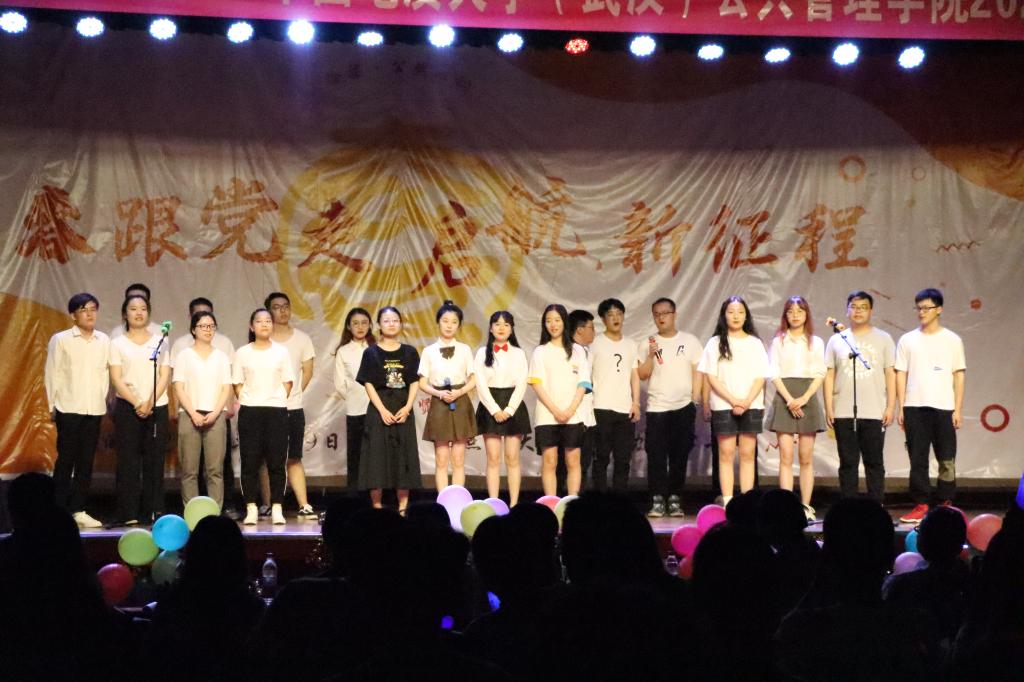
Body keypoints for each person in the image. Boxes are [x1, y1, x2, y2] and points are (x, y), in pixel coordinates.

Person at [895, 288, 966, 524]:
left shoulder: (952, 340)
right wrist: (901, 407)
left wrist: (958, 409)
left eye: (927, 308)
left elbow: (958, 375)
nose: (922, 312)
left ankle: (945, 501)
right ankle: (921, 504)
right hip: (914, 406)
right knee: (918, 459)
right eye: (919, 308)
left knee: (947, 458)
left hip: (944, 407)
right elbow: (900, 374)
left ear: (939, 309)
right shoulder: (907, 340)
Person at [169, 296, 240, 518]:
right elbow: (179, 387)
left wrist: (215, 413)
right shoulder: (184, 355)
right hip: (189, 415)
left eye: (211, 326)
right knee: (189, 470)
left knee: (215, 470)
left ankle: (213, 514)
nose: (208, 330)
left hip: (215, 416)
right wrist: (193, 413)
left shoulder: (221, 356)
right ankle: (192, 513)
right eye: (203, 326)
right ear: (193, 329)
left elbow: (226, 388)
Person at [823, 291, 896, 503]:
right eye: (854, 307)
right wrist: (829, 407)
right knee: (848, 463)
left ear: (871, 311)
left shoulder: (884, 339)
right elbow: (829, 375)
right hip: (843, 411)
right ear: (847, 311)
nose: (858, 311)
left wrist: (891, 407)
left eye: (863, 307)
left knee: (874, 462)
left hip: (875, 411)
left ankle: (876, 506)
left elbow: (890, 373)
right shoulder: (837, 340)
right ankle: (848, 507)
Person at [44, 293, 109, 528]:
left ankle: (79, 509)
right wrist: (51, 406)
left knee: (86, 461)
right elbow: (52, 373)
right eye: (83, 310)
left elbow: (105, 374)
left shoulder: (103, 340)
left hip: (94, 408)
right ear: (73, 315)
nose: (89, 314)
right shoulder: (61, 340)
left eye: (93, 309)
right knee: (66, 461)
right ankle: (57, 509)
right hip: (68, 407)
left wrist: (101, 398)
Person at [698, 296, 768, 507]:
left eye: (740, 312)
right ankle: (728, 501)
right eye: (731, 312)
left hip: (751, 404)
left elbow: (761, 376)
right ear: (724, 315)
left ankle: (746, 502)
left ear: (746, 316)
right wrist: (733, 400)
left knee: (747, 454)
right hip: (723, 405)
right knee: (726, 454)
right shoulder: (714, 343)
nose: (736, 316)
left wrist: (746, 401)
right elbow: (711, 377)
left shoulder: (755, 343)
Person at [637, 297, 702, 518]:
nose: (661, 317)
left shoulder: (690, 341)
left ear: (674, 314)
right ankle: (657, 499)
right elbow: (642, 374)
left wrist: (695, 399)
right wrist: (650, 355)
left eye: (665, 313)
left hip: (683, 406)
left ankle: (675, 498)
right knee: (656, 454)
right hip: (657, 407)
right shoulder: (648, 342)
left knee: (679, 454)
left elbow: (697, 372)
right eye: (657, 314)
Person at [108, 294, 170, 525]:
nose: (138, 313)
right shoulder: (117, 343)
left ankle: (154, 510)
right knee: (128, 461)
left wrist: (150, 402)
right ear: (125, 314)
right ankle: (128, 513)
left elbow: (164, 375)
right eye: (133, 309)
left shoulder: (161, 340)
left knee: (155, 461)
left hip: (157, 406)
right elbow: (116, 378)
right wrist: (137, 402)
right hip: (128, 407)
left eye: (143, 308)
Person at [356, 306, 421, 514]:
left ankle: (402, 507)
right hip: (379, 409)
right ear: (379, 325)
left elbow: (414, 381)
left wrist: (408, 407)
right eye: (386, 320)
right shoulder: (371, 352)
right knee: (376, 457)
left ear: (400, 324)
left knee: (403, 455)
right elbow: (368, 383)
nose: (391, 324)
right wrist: (382, 410)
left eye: (395, 320)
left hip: (403, 408)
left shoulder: (410, 352)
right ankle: (377, 506)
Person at [767, 296, 826, 523]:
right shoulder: (779, 341)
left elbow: (819, 372)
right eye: (790, 311)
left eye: (799, 311)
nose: (795, 315)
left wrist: (804, 398)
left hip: (806, 396)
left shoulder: (815, 342)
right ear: (785, 315)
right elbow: (774, 373)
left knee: (806, 457)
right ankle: (786, 507)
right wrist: (790, 399)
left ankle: (806, 506)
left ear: (806, 314)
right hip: (785, 396)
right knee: (785, 456)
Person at [233, 309, 294, 526]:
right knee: (250, 462)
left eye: (268, 320)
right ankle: (251, 507)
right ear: (252, 327)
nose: (264, 324)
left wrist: (277, 398)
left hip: (276, 411)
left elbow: (288, 381)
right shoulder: (243, 352)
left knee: (277, 462)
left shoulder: (281, 352)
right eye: (259, 321)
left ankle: (277, 507)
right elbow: (237, 382)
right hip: (250, 411)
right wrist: (248, 399)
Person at [529, 304, 591, 497]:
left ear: (564, 322)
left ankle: (572, 502)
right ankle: (551, 504)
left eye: (557, 320)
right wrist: (556, 411)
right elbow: (537, 384)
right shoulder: (540, 351)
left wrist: (570, 410)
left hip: (573, 415)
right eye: (548, 321)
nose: (553, 325)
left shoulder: (578, 350)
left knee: (573, 461)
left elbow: (583, 383)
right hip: (547, 415)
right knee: (550, 462)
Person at [266, 292, 318, 520]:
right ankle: (269, 504)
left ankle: (304, 504)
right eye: (277, 307)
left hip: (293, 406)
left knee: (294, 457)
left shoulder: (302, 339)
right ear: (268, 312)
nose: (282, 311)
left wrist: (293, 392)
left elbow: (308, 371)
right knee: (269, 459)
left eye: (285, 306)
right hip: (267, 407)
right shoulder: (263, 339)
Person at [418, 300, 477, 492]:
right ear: (438, 322)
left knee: (458, 459)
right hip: (439, 402)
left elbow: (473, 379)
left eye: (454, 322)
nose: (449, 325)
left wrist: (459, 392)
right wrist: (439, 393)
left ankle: (458, 500)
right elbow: (422, 382)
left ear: (459, 325)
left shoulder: (465, 349)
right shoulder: (428, 351)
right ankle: (442, 501)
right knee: (441, 459)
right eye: (445, 321)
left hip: (460, 401)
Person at [474, 311, 531, 506]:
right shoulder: (482, 353)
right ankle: (494, 503)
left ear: (511, 329)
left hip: (512, 406)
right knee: (493, 458)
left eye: (506, 324)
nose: (501, 328)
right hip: (490, 406)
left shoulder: (519, 353)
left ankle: (514, 504)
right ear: (490, 328)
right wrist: (494, 410)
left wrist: (509, 409)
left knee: (512, 458)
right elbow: (480, 384)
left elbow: (522, 382)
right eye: (497, 324)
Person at [588, 299, 640, 493]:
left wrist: (636, 403)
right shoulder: (595, 344)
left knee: (623, 459)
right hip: (600, 408)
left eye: (619, 314)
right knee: (601, 457)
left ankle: (620, 500)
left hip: (624, 409)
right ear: (603, 319)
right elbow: (586, 375)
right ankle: (600, 500)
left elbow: (634, 375)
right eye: (610, 315)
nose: (615, 318)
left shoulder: (631, 344)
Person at [333, 308, 375, 493]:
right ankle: (355, 495)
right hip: (355, 410)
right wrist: (353, 397)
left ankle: (377, 496)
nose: (360, 327)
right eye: (355, 323)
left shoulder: (377, 348)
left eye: (364, 323)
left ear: (370, 325)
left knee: (376, 456)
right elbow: (340, 384)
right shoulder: (343, 351)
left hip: (377, 410)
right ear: (349, 327)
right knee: (356, 454)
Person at [567, 309, 597, 489]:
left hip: (587, 414)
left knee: (584, 460)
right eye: (591, 327)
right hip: (574, 414)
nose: (594, 332)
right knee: (573, 461)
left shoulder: (586, 351)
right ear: (579, 329)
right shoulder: (571, 350)